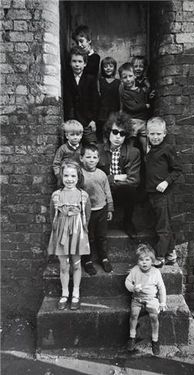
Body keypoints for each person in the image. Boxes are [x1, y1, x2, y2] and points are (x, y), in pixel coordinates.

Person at [47, 160, 91, 311]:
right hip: (61, 234)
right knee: (64, 265)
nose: (69, 179)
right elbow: (52, 214)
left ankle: (76, 292)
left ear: (78, 177)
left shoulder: (83, 195)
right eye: (66, 175)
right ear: (61, 176)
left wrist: (80, 230)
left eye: (73, 176)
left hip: (77, 233)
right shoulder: (56, 195)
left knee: (76, 263)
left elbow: (88, 215)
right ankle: (65, 293)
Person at [145, 117, 182, 267]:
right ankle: (171, 254)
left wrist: (166, 182)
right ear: (147, 134)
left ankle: (159, 257)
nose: (155, 137)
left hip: (163, 195)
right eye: (152, 134)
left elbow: (177, 169)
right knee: (164, 224)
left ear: (165, 133)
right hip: (152, 194)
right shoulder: (150, 149)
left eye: (158, 134)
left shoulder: (167, 149)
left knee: (163, 227)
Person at [98, 111, 141, 238]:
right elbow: (92, 176)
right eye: (115, 132)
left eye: (122, 134)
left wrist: (109, 182)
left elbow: (134, 180)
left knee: (130, 189)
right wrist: (114, 177)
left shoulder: (133, 152)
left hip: (122, 191)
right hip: (103, 191)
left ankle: (127, 222)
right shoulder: (98, 150)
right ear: (108, 132)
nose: (118, 136)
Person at [125, 243, 167, 355]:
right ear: (137, 261)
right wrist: (133, 288)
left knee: (154, 317)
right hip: (137, 298)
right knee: (133, 315)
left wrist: (162, 302)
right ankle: (132, 337)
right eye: (141, 260)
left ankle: (155, 340)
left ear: (152, 261)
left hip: (151, 298)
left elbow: (161, 287)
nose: (144, 262)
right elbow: (127, 281)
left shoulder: (155, 272)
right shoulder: (135, 270)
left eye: (147, 259)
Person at [80, 143, 114, 275]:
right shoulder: (79, 173)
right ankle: (87, 260)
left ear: (98, 159)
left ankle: (103, 258)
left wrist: (110, 208)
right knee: (87, 236)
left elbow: (107, 192)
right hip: (86, 211)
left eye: (94, 157)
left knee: (101, 236)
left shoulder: (102, 174)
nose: (92, 160)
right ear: (81, 158)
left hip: (101, 209)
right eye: (88, 157)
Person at [63, 46, 99, 144]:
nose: (77, 65)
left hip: (87, 120)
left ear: (85, 64)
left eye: (80, 61)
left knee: (92, 145)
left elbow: (95, 100)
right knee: (73, 146)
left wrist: (93, 120)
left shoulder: (90, 79)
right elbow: (68, 100)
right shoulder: (67, 78)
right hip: (72, 120)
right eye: (74, 61)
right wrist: (69, 120)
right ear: (70, 63)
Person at [118, 62, 150, 154]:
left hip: (143, 121)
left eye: (130, 76)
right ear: (121, 79)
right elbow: (132, 107)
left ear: (135, 76)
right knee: (130, 146)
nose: (128, 79)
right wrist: (145, 106)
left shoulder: (140, 90)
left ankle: (147, 163)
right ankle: (129, 163)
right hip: (132, 122)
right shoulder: (125, 94)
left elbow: (145, 96)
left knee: (146, 148)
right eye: (125, 77)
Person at [53, 120, 83, 187]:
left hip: (77, 178)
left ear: (81, 136)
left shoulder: (82, 149)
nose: (75, 137)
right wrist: (59, 176)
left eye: (77, 135)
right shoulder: (63, 149)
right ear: (67, 136)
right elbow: (56, 163)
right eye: (72, 135)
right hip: (65, 178)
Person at [97, 56, 120, 141]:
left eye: (111, 66)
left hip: (114, 112)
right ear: (102, 68)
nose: (108, 68)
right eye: (105, 66)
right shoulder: (100, 81)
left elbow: (120, 98)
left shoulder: (118, 82)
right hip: (102, 113)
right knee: (103, 135)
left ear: (114, 68)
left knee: (113, 134)